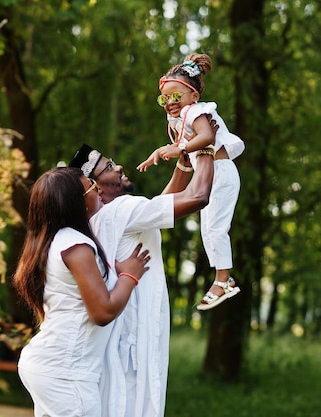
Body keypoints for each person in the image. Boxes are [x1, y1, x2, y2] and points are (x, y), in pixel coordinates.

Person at [68, 141, 215, 417]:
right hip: (133, 347)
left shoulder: (104, 218)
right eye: (109, 167)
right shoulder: (122, 210)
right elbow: (198, 197)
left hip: (123, 342)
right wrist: (205, 148)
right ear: (95, 186)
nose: (119, 166)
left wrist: (183, 164)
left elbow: (156, 210)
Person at [13, 167, 151, 417]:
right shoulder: (76, 245)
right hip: (65, 373)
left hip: (49, 365)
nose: (98, 190)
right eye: (91, 186)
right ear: (75, 202)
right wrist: (130, 276)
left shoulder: (54, 241)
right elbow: (102, 311)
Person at [137, 52, 245, 311]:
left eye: (176, 96)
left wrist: (180, 149)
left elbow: (207, 137)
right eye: (165, 97)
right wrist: (160, 152)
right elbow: (182, 145)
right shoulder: (180, 118)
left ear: (193, 96)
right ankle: (222, 278)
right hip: (212, 174)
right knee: (208, 229)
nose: (170, 102)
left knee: (216, 229)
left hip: (220, 171)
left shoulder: (197, 111)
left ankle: (224, 279)